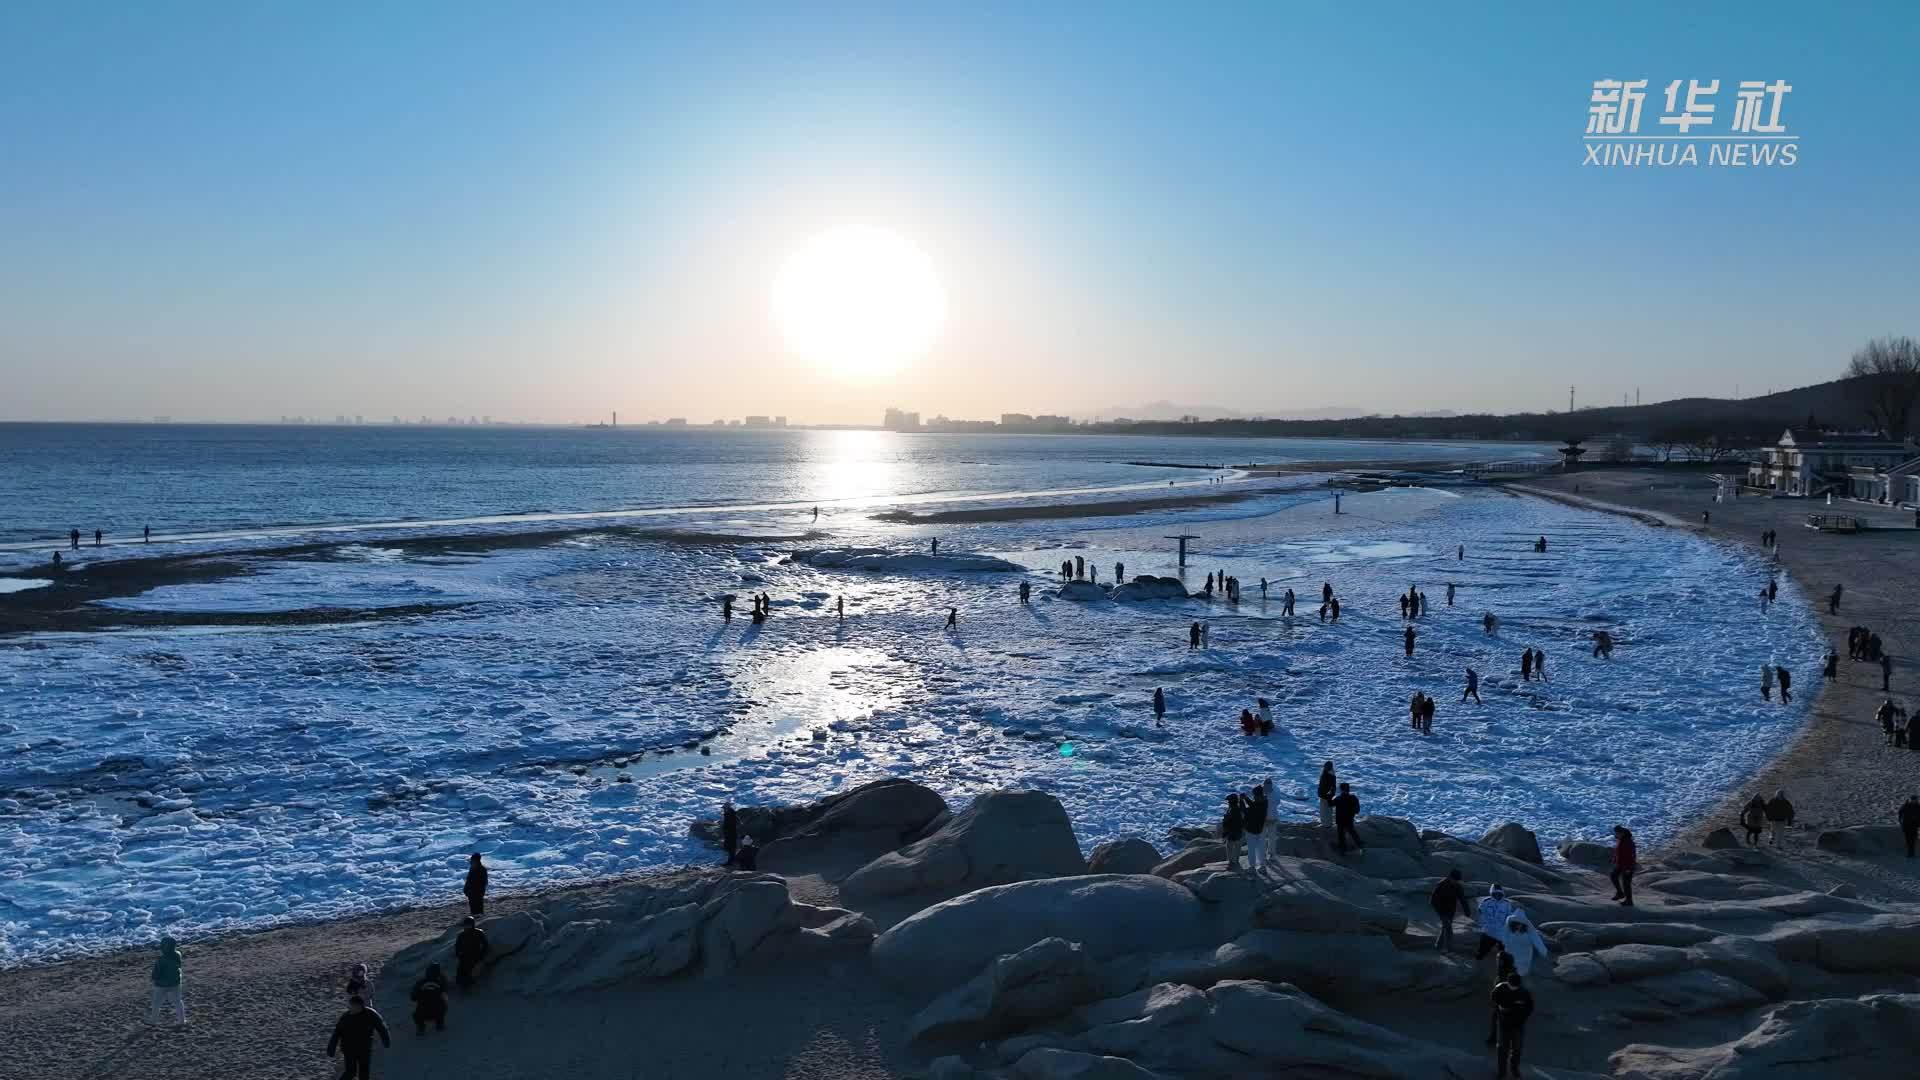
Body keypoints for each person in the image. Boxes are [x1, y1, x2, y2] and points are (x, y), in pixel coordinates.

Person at [327, 995, 392, 1080]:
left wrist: (386, 1039)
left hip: (364, 1048)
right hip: (349, 1048)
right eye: (351, 1006)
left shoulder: (370, 1014)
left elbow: (381, 1027)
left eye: (354, 1006)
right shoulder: (346, 1017)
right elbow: (336, 1033)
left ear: (361, 1006)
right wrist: (331, 1048)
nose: (352, 1009)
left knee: (364, 1073)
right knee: (350, 1072)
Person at [1490, 970, 1535, 1080]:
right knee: (1502, 1049)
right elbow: (1493, 998)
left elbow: (1530, 1007)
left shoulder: (1524, 993)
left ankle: (1514, 1069)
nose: (1514, 988)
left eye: (1516, 986)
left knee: (1517, 1049)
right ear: (1508, 983)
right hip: (1504, 1024)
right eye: (1512, 986)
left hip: (1518, 1025)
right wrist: (1500, 1008)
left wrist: (1522, 1018)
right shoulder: (1500, 988)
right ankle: (1502, 1072)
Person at [1430, 869, 1471, 951]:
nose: (1455, 881)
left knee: (1445, 928)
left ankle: (1438, 946)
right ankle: (1449, 950)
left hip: (1451, 911)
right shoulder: (1441, 884)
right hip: (1441, 910)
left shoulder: (1458, 886)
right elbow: (1433, 900)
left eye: (1457, 880)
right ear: (1450, 877)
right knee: (1448, 928)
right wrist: (1439, 911)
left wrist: (1467, 911)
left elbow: (1462, 899)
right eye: (1454, 880)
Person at [149, 936, 185, 1025]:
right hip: (175, 982)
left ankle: (153, 1021)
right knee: (178, 1001)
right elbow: (179, 966)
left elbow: (156, 974)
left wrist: (153, 979)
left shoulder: (161, 960)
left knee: (156, 1003)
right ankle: (181, 1021)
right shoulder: (177, 955)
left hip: (162, 985)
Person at [1475, 885, 1516, 961]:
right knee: (1481, 953)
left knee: (1503, 954)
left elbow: (1509, 917)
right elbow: (1480, 914)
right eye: (1495, 893)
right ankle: (1478, 965)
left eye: (1499, 893)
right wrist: (1482, 926)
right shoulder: (1486, 902)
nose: (1497, 895)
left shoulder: (1506, 904)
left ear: (1502, 893)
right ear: (1492, 893)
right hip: (1488, 931)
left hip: (1501, 933)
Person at [410, 963, 449, 1035]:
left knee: (416, 1014)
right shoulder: (441, 982)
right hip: (438, 1012)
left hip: (422, 1013)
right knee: (443, 1003)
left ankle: (421, 1028)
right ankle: (440, 1024)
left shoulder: (420, 983)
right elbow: (446, 991)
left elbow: (413, 997)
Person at [453, 915, 489, 991]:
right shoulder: (461, 935)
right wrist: (459, 955)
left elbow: (485, 945)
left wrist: (482, 955)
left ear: (472, 924)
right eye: (465, 925)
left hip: (476, 955)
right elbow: (457, 947)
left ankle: (468, 984)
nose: (466, 927)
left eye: (468, 925)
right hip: (464, 956)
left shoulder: (479, 932)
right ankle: (461, 985)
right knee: (460, 970)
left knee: (470, 971)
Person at [1332, 782, 1363, 854]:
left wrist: (1328, 795)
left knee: (1341, 834)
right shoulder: (1353, 798)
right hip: (1349, 819)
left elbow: (1330, 804)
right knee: (1352, 831)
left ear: (1341, 789)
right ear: (1349, 789)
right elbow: (1357, 810)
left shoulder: (1338, 798)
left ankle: (1343, 849)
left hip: (1340, 820)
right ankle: (1360, 845)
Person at [1243, 785, 1269, 873]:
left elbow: (1246, 811)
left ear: (1257, 795)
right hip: (1261, 829)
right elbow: (1254, 805)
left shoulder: (1256, 806)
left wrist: (1242, 801)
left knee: (1251, 849)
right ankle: (1263, 866)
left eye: (1254, 795)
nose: (1253, 796)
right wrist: (1246, 798)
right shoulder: (1265, 802)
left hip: (1251, 830)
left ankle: (1252, 867)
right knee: (1261, 848)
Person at [1610, 825, 1637, 906]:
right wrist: (1614, 859)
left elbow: (1631, 856)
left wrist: (1628, 868)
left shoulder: (1628, 842)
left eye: (1617, 833)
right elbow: (1618, 851)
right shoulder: (1621, 839)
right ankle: (1620, 893)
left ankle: (1629, 901)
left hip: (1628, 865)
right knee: (1613, 876)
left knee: (1626, 883)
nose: (1616, 834)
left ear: (1622, 833)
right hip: (1620, 864)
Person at [1220, 794, 1246, 871]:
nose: (1228, 802)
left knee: (1229, 847)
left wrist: (1224, 833)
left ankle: (1231, 862)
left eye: (1229, 801)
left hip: (1231, 832)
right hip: (1239, 831)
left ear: (1231, 802)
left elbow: (1226, 823)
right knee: (1237, 848)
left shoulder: (1231, 810)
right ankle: (1236, 862)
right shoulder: (1239, 809)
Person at [1317, 762, 1337, 830]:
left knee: (1326, 811)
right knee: (1326, 810)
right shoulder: (1328, 773)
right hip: (1325, 795)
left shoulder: (1329, 775)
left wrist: (1328, 796)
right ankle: (1326, 824)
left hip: (1326, 796)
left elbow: (1331, 787)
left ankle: (1327, 825)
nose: (1325, 767)